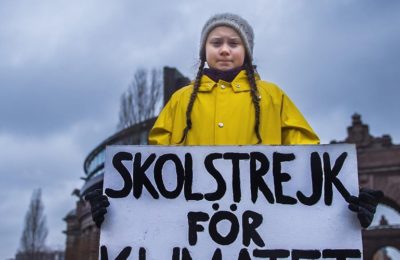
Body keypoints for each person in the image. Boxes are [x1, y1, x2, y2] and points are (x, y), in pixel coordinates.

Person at [86, 13, 382, 229]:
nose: (225, 49)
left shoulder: (274, 96)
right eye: (216, 42)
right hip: (192, 228)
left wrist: (345, 195)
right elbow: (155, 165)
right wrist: (121, 200)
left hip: (264, 227)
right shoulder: (179, 101)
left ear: (247, 51)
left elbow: (308, 157)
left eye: (234, 43)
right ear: (204, 51)